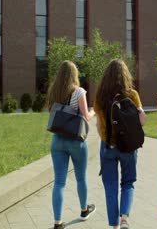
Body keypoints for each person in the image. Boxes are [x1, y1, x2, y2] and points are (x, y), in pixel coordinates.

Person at [94, 59, 147, 229]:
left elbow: (99, 124)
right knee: (128, 182)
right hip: (128, 147)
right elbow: (142, 121)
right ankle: (124, 218)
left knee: (110, 187)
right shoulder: (132, 95)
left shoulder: (100, 97)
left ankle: (114, 226)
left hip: (107, 146)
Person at [46, 61, 97, 229]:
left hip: (57, 140)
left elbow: (51, 111)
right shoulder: (79, 92)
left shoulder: (53, 91)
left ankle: (57, 223)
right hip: (76, 140)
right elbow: (86, 117)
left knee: (59, 182)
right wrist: (94, 110)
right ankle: (84, 210)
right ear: (74, 75)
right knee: (80, 177)